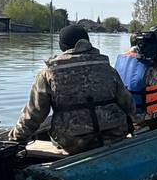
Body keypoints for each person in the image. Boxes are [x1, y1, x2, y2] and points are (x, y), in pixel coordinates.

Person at [9, 25, 135, 154]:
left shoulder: (49, 73)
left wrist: (16, 139)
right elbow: (129, 105)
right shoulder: (108, 68)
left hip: (73, 143)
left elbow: (34, 114)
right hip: (114, 136)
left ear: (62, 46)